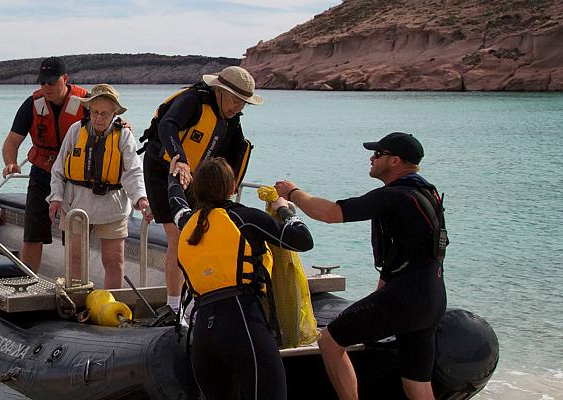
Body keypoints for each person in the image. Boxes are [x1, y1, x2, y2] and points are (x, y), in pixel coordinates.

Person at [273, 132, 447, 400]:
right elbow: (407, 254)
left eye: (378, 154)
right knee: (416, 382)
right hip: (432, 298)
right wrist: (381, 292)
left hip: (407, 298)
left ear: (395, 161)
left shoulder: (394, 196)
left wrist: (292, 193)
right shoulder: (427, 193)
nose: (372, 158)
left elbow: (330, 213)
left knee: (330, 341)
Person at [177, 157, 311, 400]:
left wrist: (174, 172)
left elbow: (175, 200)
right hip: (244, 326)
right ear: (232, 188)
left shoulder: (187, 222)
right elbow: (302, 240)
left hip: (204, 336)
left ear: (196, 190)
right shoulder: (244, 218)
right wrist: (284, 209)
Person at [138, 66, 263, 313]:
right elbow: (167, 126)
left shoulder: (231, 118)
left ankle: (196, 301)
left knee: (200, 234)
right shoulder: (192, 101)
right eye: (235, 100)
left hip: (194, 178)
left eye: (243, 104)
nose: (238, 108)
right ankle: (174, 307)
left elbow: (236, 151)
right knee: (178, 236)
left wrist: (229, 184)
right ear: (219, 90)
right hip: (161, 170)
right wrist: (179, 158)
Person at [47, 84, 150, 289]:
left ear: (114, 113)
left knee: (114, 261)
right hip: (77, 204)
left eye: (104, 113)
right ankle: (76, 303)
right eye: (95, 112)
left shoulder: (124, 135)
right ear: (89, 111)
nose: (99, 118)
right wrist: (55, 197)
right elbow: (59, 168)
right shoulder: (76, 130)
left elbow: (133, 171)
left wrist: (141, 198)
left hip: (112, 208)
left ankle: (112, 304)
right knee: (75, 260)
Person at [1, 56, 89, 273]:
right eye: (42, 82)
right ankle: (28, 281)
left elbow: (109, 121)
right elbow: (11, 142)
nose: (46, 87)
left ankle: (75, 286)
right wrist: (11, 163)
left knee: (75, 236)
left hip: (75, 178)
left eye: (51, 81)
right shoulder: (32, 104)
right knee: (33, 234)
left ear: (65, 79)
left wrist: (121, 125)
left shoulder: (87, 102)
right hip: (42, 174)